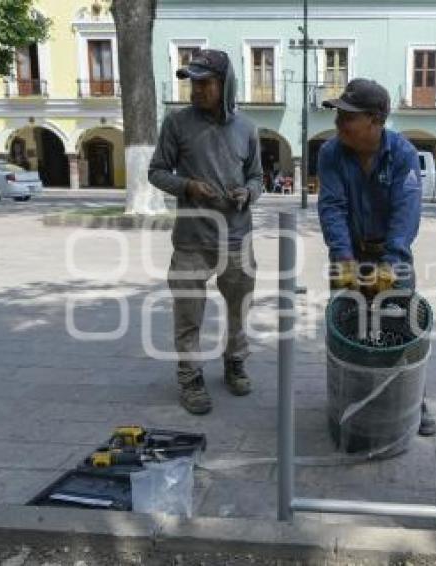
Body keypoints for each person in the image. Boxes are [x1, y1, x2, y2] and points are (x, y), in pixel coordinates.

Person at [316, 78, 436, 437]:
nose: (338, 123)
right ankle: (348, 396)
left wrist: (392, 261)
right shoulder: (331, 153)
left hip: (392, 256)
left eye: (347, 117)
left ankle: (416, 400)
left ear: (375, 119)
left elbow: (407, 211)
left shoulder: (402, 154)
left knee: (402, 329)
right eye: (338, 115)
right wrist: (343, 257)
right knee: (348, 326)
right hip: (350, 251)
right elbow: (332, 206)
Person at [148, 48, 263, 415]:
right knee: (188, 313)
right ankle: (190, 376)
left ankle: (235, 362)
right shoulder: (177, 124)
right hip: (191, 240)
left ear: (225, 84)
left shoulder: (247, 129)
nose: (196, 90)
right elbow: (157, 171)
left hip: (236, 237)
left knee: (238, 309)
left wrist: (249, 192)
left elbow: (258, 177)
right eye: (192, 83)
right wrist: (188, 187)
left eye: (205, 83)